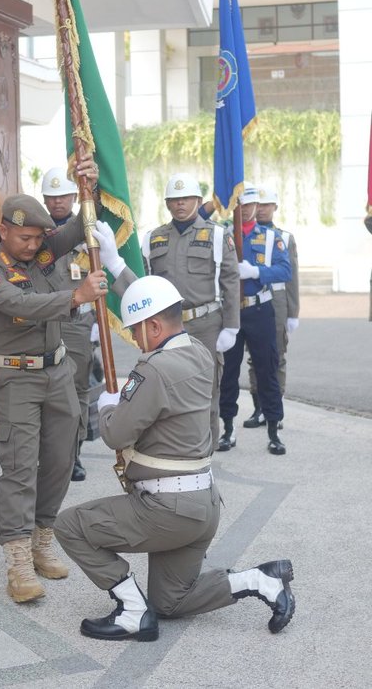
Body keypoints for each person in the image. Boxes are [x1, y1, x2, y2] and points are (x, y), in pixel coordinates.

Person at [53, 267, 295, 642]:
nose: (134, 338)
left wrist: (107, 405)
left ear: (152, 327)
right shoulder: (200, 352)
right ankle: (260, 581)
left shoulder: (155, 369)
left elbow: (115, 433)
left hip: (167, 510)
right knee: (171, 600)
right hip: (203, 505)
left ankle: (132, 612)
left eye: (135, 329)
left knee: (70, 525)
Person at [0, 159, 108, 604]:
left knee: (60, 459)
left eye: (38, 237)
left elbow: (85, 220)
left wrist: (91, 183)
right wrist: (75, 296)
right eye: (26, 238)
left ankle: (41, 537)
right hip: (16, 379)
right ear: (3, 231)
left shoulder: (44, 249)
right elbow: (22, 303)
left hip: (59, 372)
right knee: (19, 466)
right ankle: (17, 559)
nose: (34, 245)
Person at [142, 172, 240, 449]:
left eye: (186, 198)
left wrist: (231, 326)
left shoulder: (218, 235)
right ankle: (172, 450)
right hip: (165, 329)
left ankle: (204, 454)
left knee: (206, 392)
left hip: (205, 325)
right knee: (165, 389)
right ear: (167, 204)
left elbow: (230, 281)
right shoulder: (153, 238)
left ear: (198, 200)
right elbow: (145, 283)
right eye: (174, 199)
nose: (180, 204)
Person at [218, 184, 292, 455]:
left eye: (250, 205)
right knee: (228, 373)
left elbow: (285, 271)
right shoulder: (224, 235)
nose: (247, 209)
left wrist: (256, 272)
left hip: (260, 309)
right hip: (231, 311)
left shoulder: (271, 237)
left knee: (267, 370)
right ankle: (227, 428)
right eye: (241, 205)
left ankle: (273, 430)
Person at [41, 166, 97, 481]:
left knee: (76, 390)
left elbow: (104, 273)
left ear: (74, 196)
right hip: (45, 318)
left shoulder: (89, 228)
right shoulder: (36, 234)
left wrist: (101, 321)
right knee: (45, 389)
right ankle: (49, 455)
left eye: (63, 195)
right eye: (51, 196)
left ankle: (74, 455)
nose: (57, 202)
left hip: (78, 321)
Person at [244, 186, 300, 428]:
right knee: (254, 359)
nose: (263, 209)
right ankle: (259, 408)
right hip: (251, 302)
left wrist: (293, 313)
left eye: (267, 205)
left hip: (276, 302)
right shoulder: (241, 234)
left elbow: (292, 277)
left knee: (275, 357)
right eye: (260, 204)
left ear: (275, 207)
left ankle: (274, 408)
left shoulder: (284, 238)